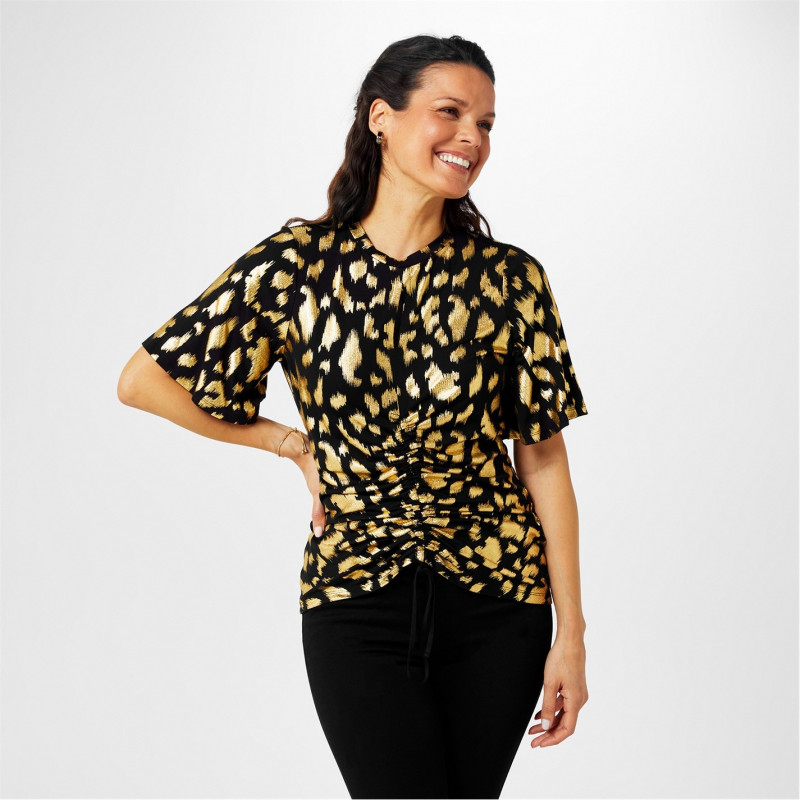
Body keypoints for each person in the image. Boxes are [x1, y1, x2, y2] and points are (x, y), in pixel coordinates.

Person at [118, 33, 589, 800]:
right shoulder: (298, 264)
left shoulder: (510, 280)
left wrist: (571, 635)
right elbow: (144, 381)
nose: (472, 137)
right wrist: (288, 443)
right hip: (355, 601)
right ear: (381, 116)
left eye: (486, 122)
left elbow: (543, 457)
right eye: (450, 112)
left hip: (501, 607)